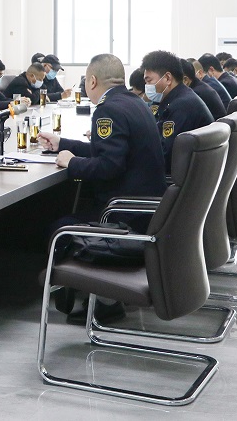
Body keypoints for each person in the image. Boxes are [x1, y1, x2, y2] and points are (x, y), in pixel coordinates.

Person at [39, 54, 166, 324]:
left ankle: (105, 302)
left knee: (59, 227)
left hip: (125, 216)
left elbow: (108, 166)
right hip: (148, 209)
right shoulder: (134, 102)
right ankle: (98, 296)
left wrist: (72, 163)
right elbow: (107, 152)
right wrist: (63, 144)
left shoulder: (108, 110)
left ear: (92, 81)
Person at [143, 50, 213, 173]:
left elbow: (164, 155)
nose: (147, 86)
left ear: (168, 78)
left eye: (149, 81)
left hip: (180, 178)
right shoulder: (181, 97)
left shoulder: (182, 106)